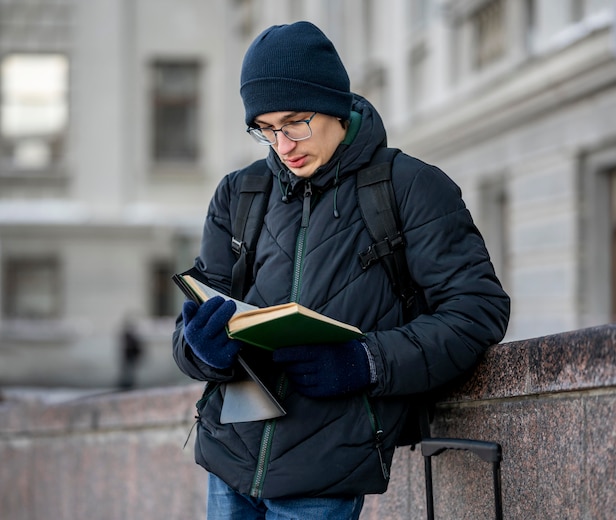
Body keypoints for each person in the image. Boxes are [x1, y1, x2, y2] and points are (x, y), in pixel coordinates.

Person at [172, 21, 510, 520]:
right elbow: (195, 315)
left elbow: (478, 311)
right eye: (265, 129)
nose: (282, 144)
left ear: (333, 105)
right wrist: (201, 349)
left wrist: (365, 361)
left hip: (325, 469)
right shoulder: (239, 194)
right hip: (229, 461)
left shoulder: (411, 187)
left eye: (295, 122)